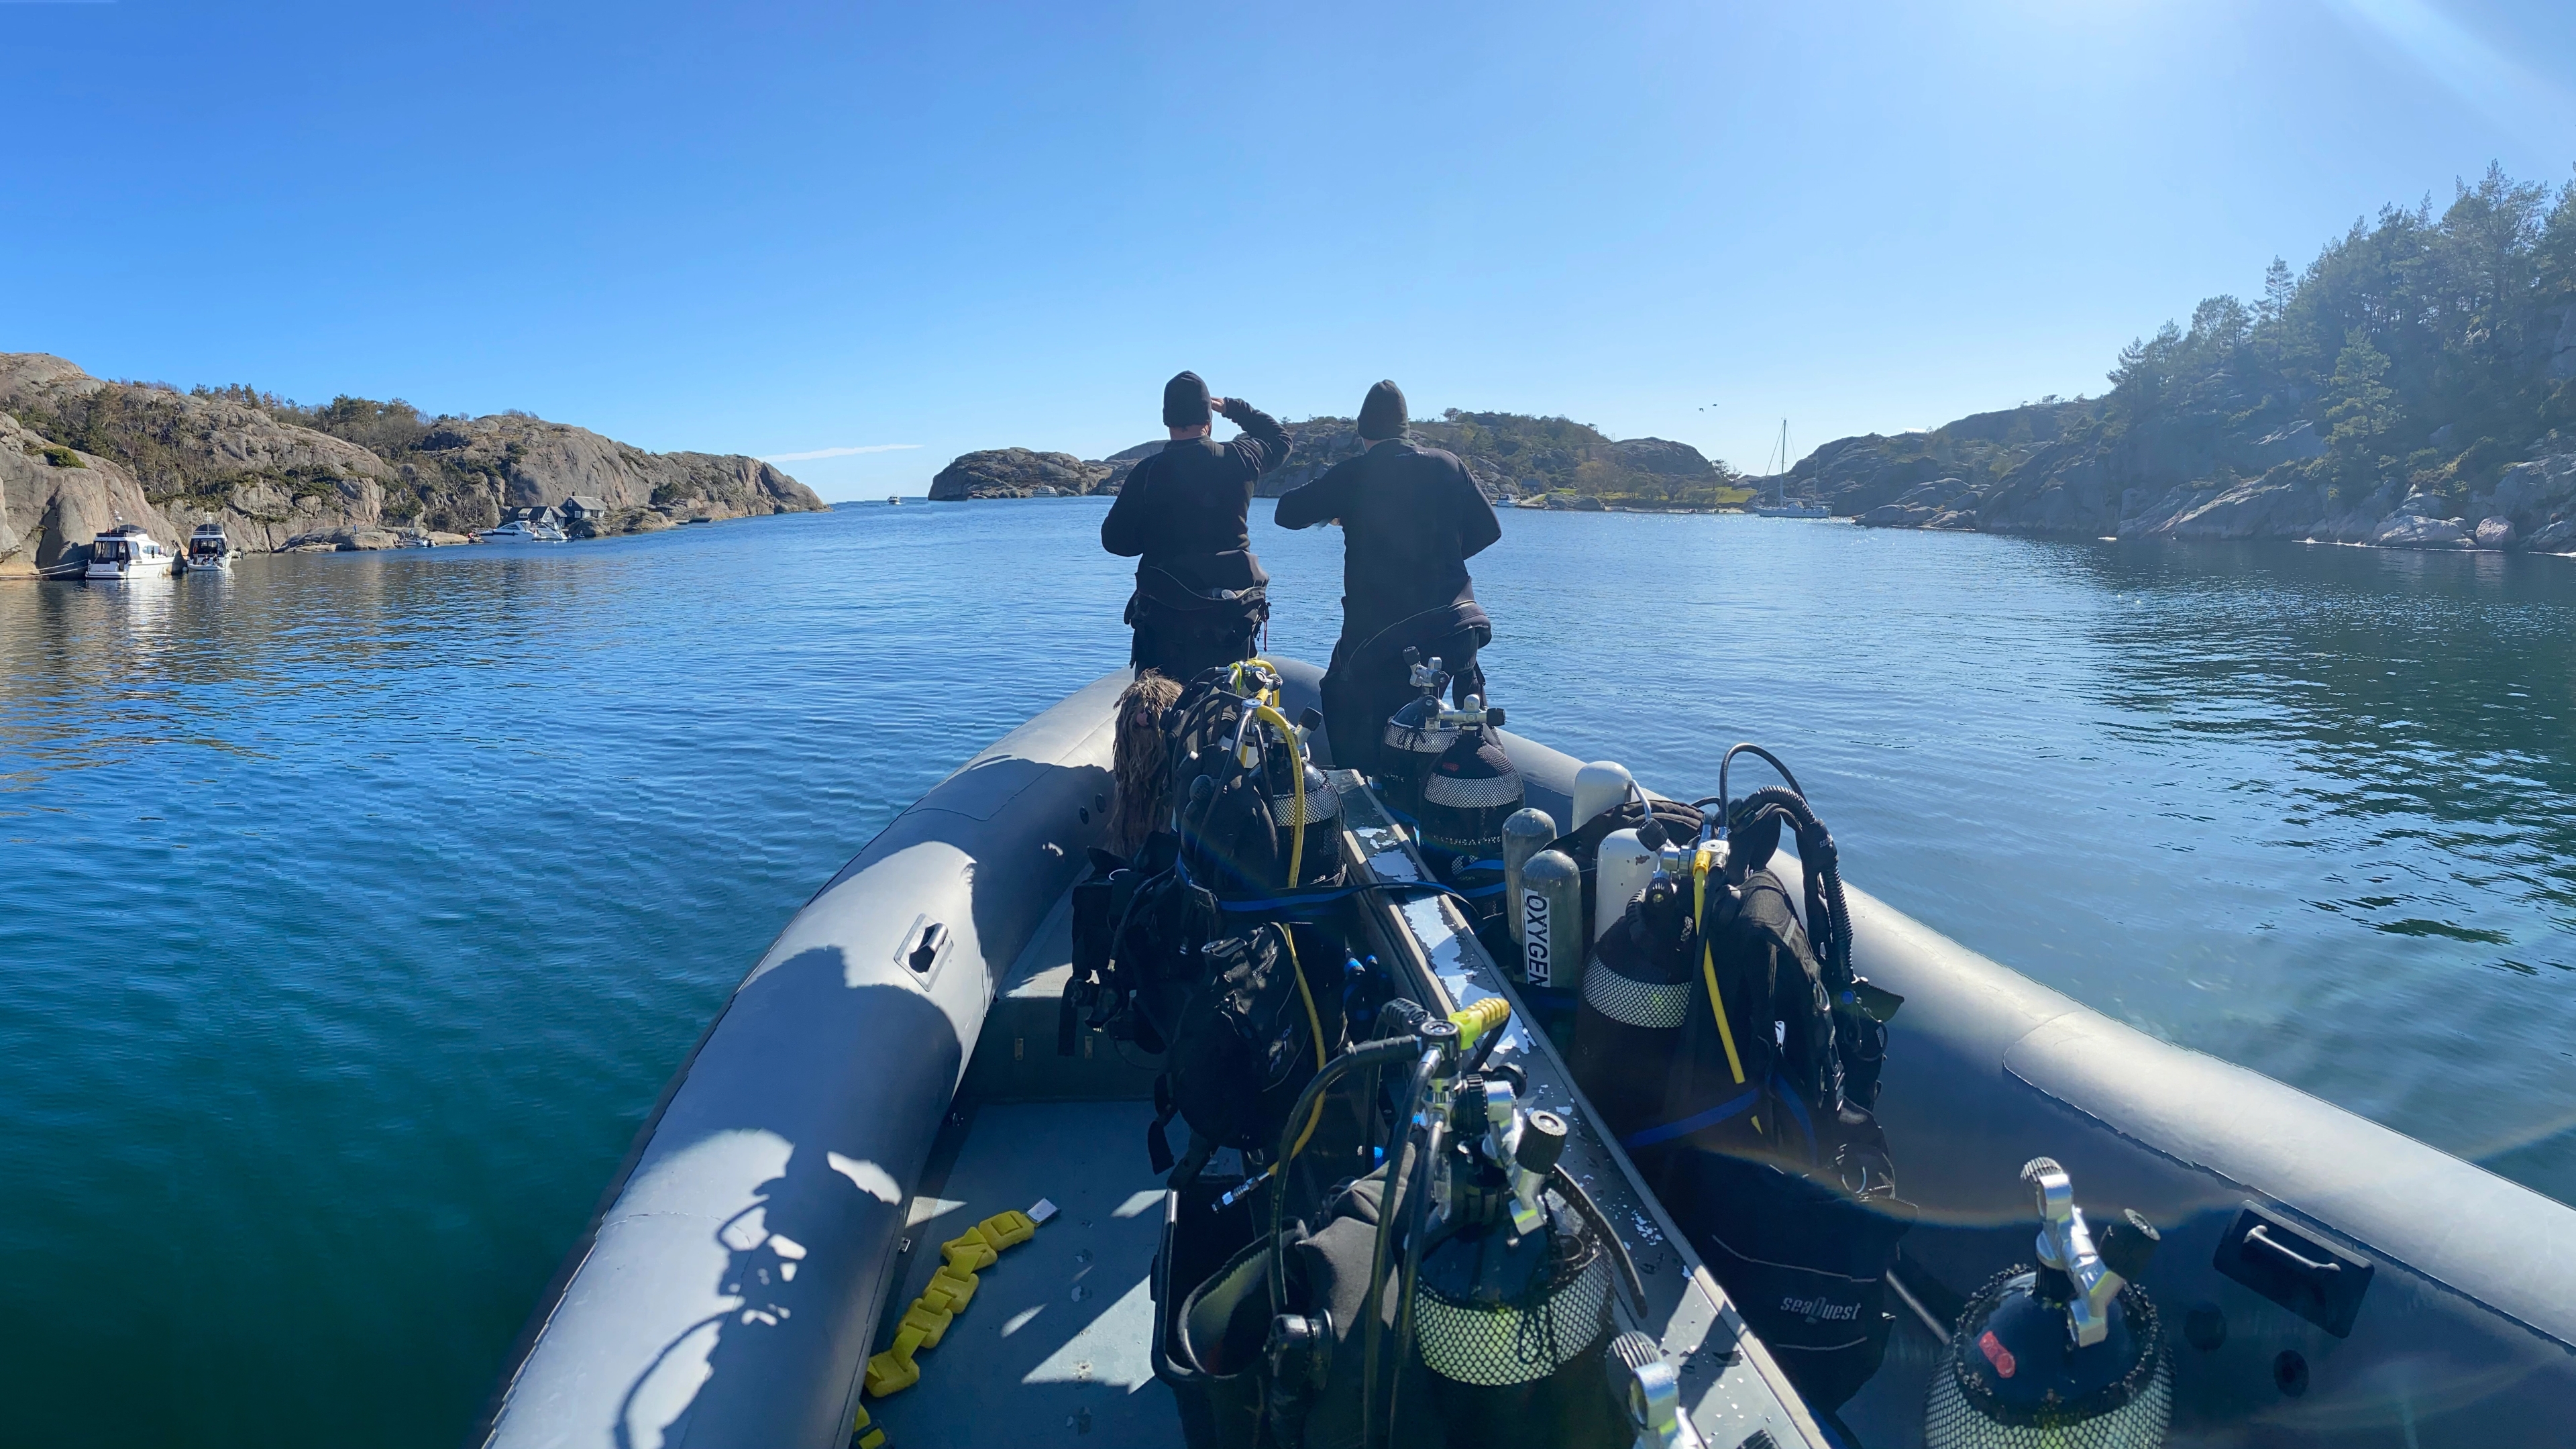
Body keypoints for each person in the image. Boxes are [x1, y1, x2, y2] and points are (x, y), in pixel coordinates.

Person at [1274, 380, 1501, 775]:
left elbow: (1286, 513)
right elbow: (1488, 531)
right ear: (1406, 429)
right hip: (1458, 628)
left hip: (1383, 636)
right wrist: (1437, 559)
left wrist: (1340, 511)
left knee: (1342, 700)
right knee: (1448, 728)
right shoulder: (1448, 464)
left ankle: (1365, 807)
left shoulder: (1355, 475)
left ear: (1363, 432)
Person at [1100, 371, 1293, 680]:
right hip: (1230, 622)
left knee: (1158, 717)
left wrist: (1152, 537)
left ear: (1167, 422)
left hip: (1164, 625)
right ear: (1208, 419)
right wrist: (1232, 407)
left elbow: (1114, 541)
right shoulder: (1241, 458)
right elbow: (1280, 439)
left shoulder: (1147, 473)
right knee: (1228, 712)